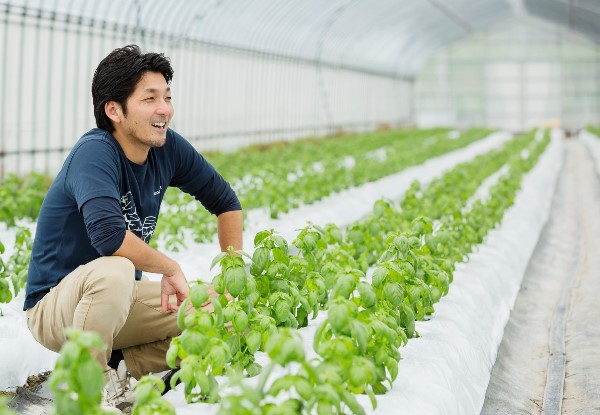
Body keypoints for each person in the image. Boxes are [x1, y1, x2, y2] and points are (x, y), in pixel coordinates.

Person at [23, 44, 243, 410]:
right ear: (114, 110)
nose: (164, 109)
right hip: (54, 307)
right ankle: (88, 388)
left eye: (167, 97)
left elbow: (226, 202)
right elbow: (108, 236)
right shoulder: (95, 153)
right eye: (150, 98)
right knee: (117, 268)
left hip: (115, 302)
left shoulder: (168, 148)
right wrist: (170, 267)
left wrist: (234, 273)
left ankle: (120, 369)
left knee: (228, 316)